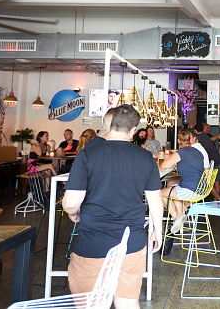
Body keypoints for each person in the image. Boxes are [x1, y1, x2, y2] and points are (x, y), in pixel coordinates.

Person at [62, 104, 163, 309]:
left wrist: (74, 214)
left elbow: (71, 203)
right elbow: (155, 200)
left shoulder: (88, 154)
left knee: (91, 305)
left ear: (110, 125)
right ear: (133, 130)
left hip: (93, 242)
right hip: (131, 243)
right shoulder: (145, 157)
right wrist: (157, 232)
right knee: (127, 303)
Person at [159, 128, 206, 255]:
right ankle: (179, 215)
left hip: (189, 190)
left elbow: (163, 166)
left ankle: (176, 217)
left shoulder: (181, 152)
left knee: (158, 194)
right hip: (200, 189)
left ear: (178, 140)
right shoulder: (197, 152)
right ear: (191, 140)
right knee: (174, 188)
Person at [195, 122, 220, 201]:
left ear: (195, 131)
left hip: (212, 161)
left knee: (209, 182)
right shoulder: (205, 136)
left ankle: (218, 199)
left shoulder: (198, 138)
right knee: (216, 181)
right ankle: (216, 200)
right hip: (217, 160)